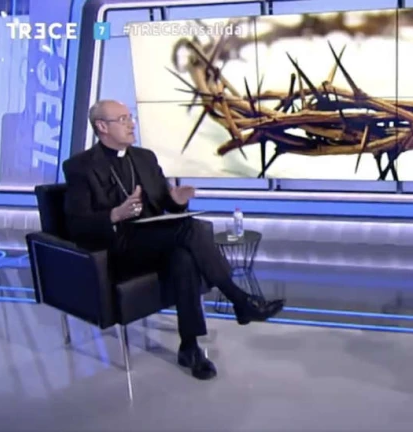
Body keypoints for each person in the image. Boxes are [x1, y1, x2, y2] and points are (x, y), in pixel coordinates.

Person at [63, 100, 284, 381]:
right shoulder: (79, 167)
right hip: (118, 247)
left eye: (130, 117)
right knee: (191, 229)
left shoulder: (144, 157)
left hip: (154, 239)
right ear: (102, 127)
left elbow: (164, 202)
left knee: (184, 257)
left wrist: (176, 200)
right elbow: (77, 224)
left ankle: (190, 347)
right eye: (122, 119)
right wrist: (115, 214)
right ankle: (240, 300)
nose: (131, 124)